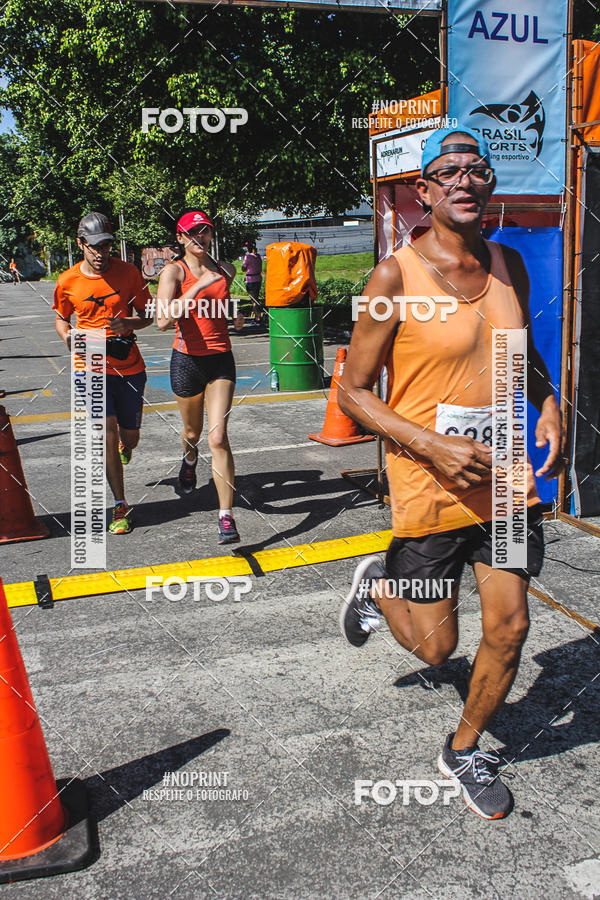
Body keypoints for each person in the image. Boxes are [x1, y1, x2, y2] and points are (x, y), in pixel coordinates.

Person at [338, 126, 563, 819]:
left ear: (490, 186)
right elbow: (351, 389)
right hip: (429, 487)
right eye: (449, 170)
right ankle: (380, 589)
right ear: (426, 191)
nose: (466, 178)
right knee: (438, 651)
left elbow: (517, 355)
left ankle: (464, 748)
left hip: (503, 480)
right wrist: (428, 444)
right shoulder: (392, 275)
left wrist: (547, 403)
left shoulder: (506, 265)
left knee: (512, 625)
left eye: (478, 168)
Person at [53, 212, 153, 534]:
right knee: (105, 435)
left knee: (129, 438)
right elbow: (60, 318)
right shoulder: (68, 281)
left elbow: (148, 315)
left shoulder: (129, 273)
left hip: (129, 365)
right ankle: (120, 504)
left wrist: (130, 324)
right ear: (81, 244)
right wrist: (67, 337)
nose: (101, 253)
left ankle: (127, 445)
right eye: (94, 246)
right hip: (89, 362)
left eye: (106, 246)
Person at [156, 210, 244, 545]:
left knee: (218, 437)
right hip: (187, 361)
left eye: (204, 232)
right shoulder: (173, 272)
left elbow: (222, 305)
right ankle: (189, 459)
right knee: (192, 432)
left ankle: (226, 517)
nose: (199, 238)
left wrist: (234, 315)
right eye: (192, 234)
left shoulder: (226, 270)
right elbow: (163, 322)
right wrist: (195, 290)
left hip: (221, 359)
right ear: (180, 238)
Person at [241, 243, 263, 323]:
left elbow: (243, 268)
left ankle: (257, 317)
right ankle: (259, 315)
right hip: (258, 278)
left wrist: (244, 259)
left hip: (251, 279)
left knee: (253, 299)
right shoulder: (258, 256)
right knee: (256, 298)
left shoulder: (248, 257)